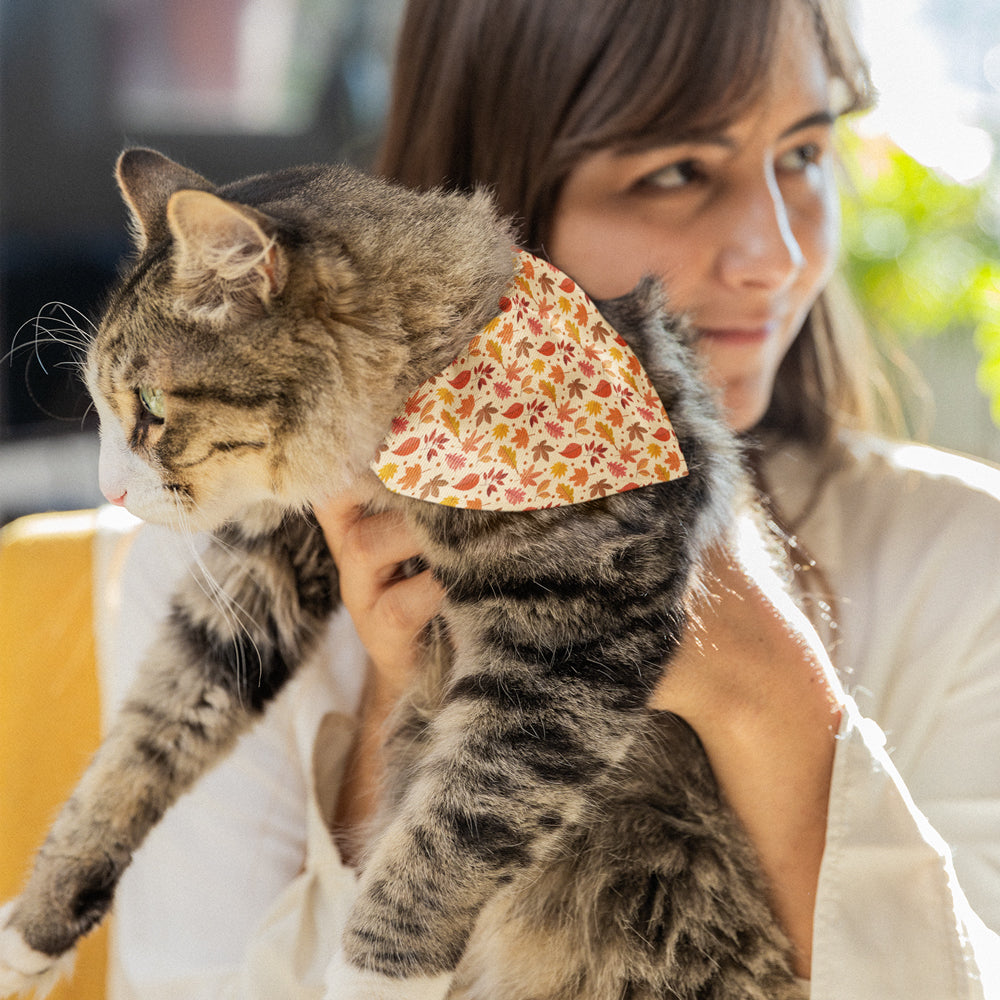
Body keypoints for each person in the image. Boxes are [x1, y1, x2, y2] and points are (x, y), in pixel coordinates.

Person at [101, 0, 1000, 997]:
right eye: (675, 174)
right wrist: (404, 711)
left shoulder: (965, 558)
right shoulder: (217, 559)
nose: (776, 255)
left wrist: (769, 693)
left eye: (803, 154)